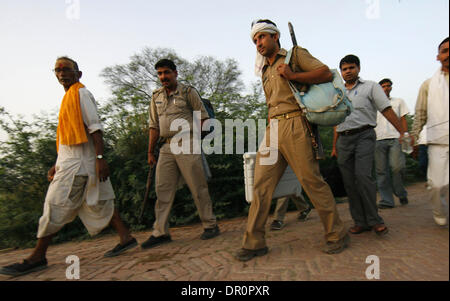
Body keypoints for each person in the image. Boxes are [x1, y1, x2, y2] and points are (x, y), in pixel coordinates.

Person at [0, 57, 137, 277]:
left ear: (78, 74)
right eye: (58, 70)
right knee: (100, 200)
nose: (62, 73)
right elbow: (67, 138)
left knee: (54, 205)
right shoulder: (68, 98)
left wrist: (101, 158)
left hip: (78, 166)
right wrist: (57, 163)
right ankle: (126, 237)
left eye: (67, 69)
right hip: (72, 162)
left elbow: (95, 128)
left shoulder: (81, 94)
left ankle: (37, 256)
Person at [235, 19, 349, 262]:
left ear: (275, 36)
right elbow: (271, 103)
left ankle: (336, 234)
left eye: (262, 37)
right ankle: (254, 242)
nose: (258, 43)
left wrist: (293, 74)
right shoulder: (264, 69)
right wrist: (268, 127)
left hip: (297, 123)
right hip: (273, 128)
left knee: (311, 181)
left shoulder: (295, 54)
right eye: (255, 40)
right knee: (261, 187)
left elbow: (325, 73)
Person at [141, 59, 220, 249]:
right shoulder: (156, 96)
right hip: (166, 146)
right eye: (160, 73)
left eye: (166, 72)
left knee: (197, 186)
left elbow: (203, 117)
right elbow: (153, 125)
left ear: (175, 73)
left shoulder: (187, 91)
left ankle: (210, 225)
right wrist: (150, 151)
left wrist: (195, 140)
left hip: (186, 141)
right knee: (163, 189)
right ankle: (160, 232)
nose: (163, 77)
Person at [331, 55, 405, 236]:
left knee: (363, 177)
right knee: (349, 183)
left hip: (364, 135)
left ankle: (375, 220)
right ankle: (360, 222)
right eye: (344, 69)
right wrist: (334, 146)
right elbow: (335, 122)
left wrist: (402, 132)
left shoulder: (371, 86)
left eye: (351, 67)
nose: (348, 71)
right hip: (343, 140)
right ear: (340, 72)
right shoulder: (336, 92)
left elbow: (386, 109)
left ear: (358, 69)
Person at [411, 37, 449, 226]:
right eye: (445, 50)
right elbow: (420, 113)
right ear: (438, 56)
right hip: (438, 140)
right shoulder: (428, 84)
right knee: (437, 184)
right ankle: (440, 212)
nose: (448, 54)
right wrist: (416, 138)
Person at [374, 78, 410, 209]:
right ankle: (387, 200)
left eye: (388, 86)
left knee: (397, 167)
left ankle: (401, 193)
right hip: (378, 139)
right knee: (381, 171)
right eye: (383, 86)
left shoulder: (398, 102)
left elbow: (403, 119)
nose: (386, 88)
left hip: (395, 137)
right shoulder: (374, 104)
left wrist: (404, 134)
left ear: (391, 87)